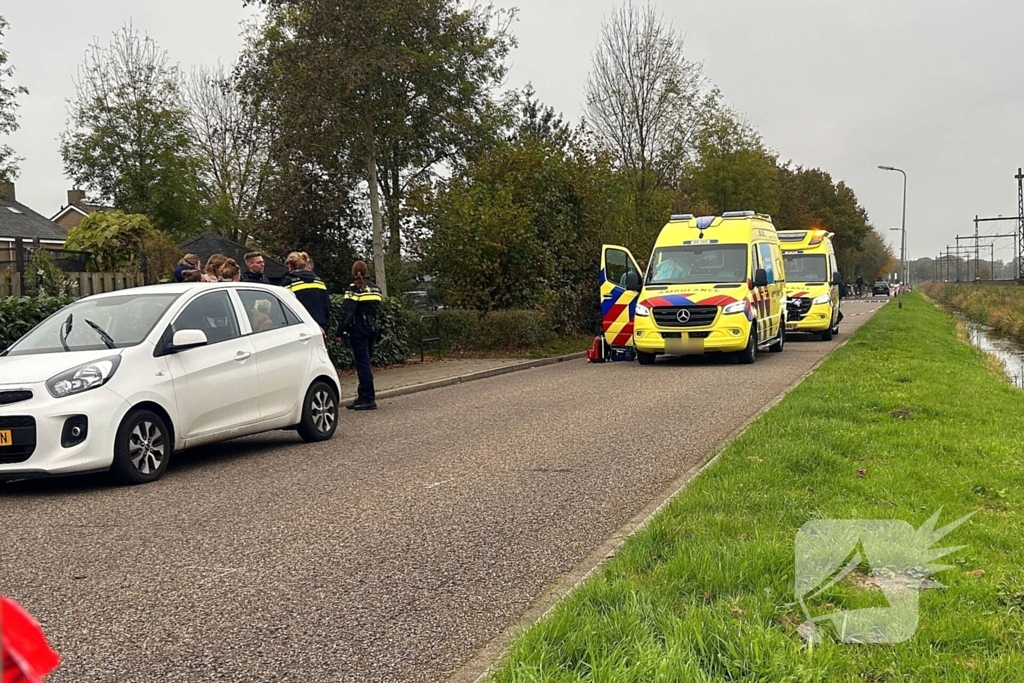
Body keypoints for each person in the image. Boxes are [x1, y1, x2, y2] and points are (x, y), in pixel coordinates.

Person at [336, 261, 383, 411]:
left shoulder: (353, 289)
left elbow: (347, 312)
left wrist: (340, 332)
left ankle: (368, 399)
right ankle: (362, 397)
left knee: (363, 365)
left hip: (359, 329)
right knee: (366, 363)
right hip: (373, 328)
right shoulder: (375, 288)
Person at [281, 251, 331, 331]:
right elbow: (326, 304)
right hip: (319, 325)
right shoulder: (318, 281)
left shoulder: (289, 282)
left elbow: (284, 308)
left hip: (299, 327)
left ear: (290, 265)